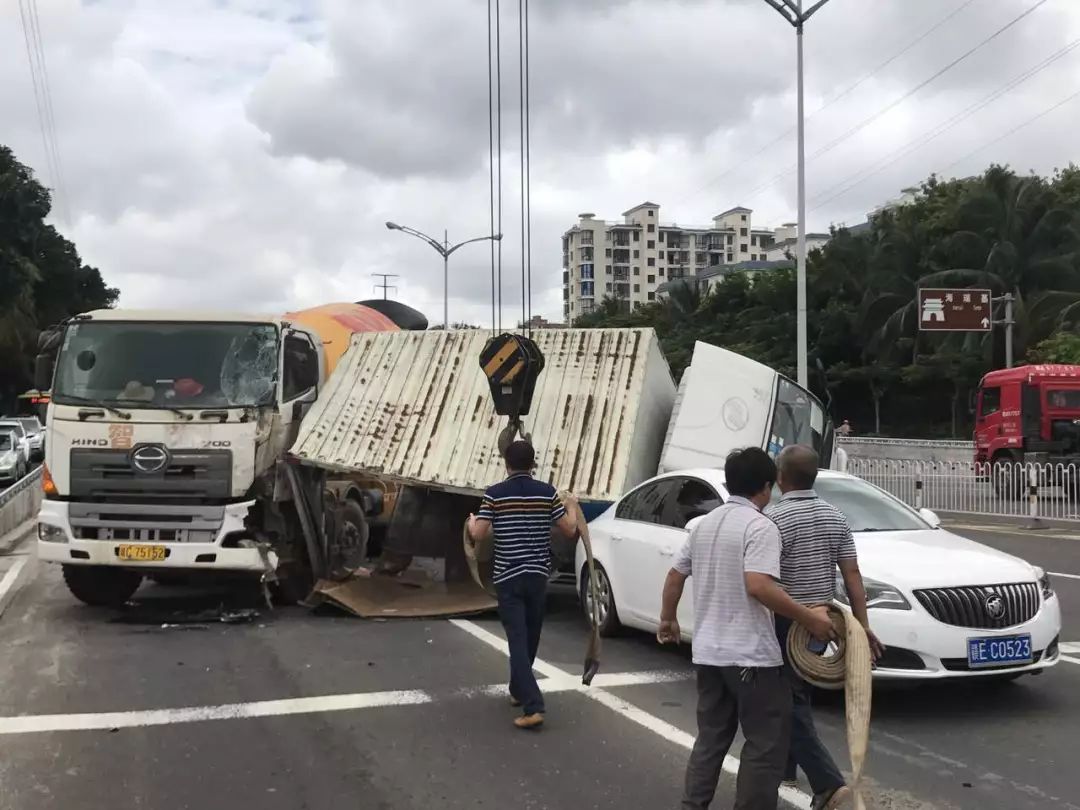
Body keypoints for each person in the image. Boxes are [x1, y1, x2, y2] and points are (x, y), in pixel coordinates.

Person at [658, 447, 836, 810]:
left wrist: (668, 619)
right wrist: (809, 617)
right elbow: (759, 585)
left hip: (709, 654)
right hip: (751, 658)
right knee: (765, 744)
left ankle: (692, 806)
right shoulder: (760, 526)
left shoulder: (704, 525)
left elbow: (676, 575)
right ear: (767, 487)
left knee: (711, 739)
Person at [770, 445, 884, 810]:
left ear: (780, 477)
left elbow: (766, 579)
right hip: (824, 624)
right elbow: (853, 577)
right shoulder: (835, 516)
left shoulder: (774, 519)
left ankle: (828, 786)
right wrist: (861, 628)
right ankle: (784, 769)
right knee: (792, 693)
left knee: (789, 701)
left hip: (789, 621)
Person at [467, 440, 579, 730]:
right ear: (533, 464)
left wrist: (470, 523)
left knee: (517, 639)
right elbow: (569, 530)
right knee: (530, 637)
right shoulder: (547, 493)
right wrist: (573, 505)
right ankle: (519, 690)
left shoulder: (494, 495)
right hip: (537, 576)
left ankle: (533, 705)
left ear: (507, 463)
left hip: (508, 577)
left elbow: (479, 534)